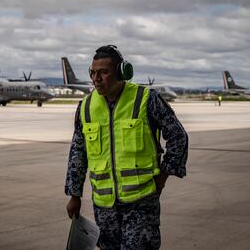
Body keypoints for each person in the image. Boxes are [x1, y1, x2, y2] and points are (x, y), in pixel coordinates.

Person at [65, 45, 188, 250]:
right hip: (104, 207)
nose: (96, 78)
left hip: (141, 205)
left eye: (104, 72)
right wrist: (74, 195)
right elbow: (78, 153)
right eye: (93, 73)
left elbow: (178, 137)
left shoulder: (146, 99)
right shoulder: (86, 107)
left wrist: (164, 176)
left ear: (122, 73)